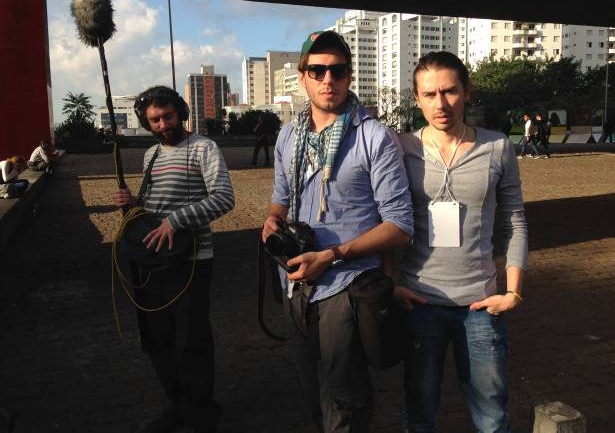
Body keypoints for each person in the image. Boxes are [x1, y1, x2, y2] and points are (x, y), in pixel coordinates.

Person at [262, 31, 413, 433]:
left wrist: (331, 255)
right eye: (318, 70)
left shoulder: (373, 138)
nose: (328, 79)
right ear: (303, 76)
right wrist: (271, 220)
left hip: (345, 289)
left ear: (349, 77)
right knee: (312, 395)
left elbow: (399, 227)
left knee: (344, 403)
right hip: (295, 286)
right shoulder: (289, 136)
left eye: (338, 70)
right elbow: (280, 198)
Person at [393, 51, 528, 433]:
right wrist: (392, 283)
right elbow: (387, 222)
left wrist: (513, 293)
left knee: (492, 417)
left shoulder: (497, 147)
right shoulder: (402, 148)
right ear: (417, 98)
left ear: (466, 92)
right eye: (430, 94)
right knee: (419, 414)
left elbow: (515, 222)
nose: (441, 103)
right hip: (420, 303)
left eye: (450, 91)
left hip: (480, 306)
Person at [112, 86, 235, 433]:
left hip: (192, 259)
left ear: (180, 112)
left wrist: (175, 221)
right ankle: (176, 404)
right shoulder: (150, 155)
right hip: (154, 260)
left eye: (168, 116)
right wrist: (132, 201)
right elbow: (151, 206)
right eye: (154, 120)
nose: (163, 124)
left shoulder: (203, 148)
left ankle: (201, 414)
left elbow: (225, 198)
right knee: (158, 338)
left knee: (191, 341)